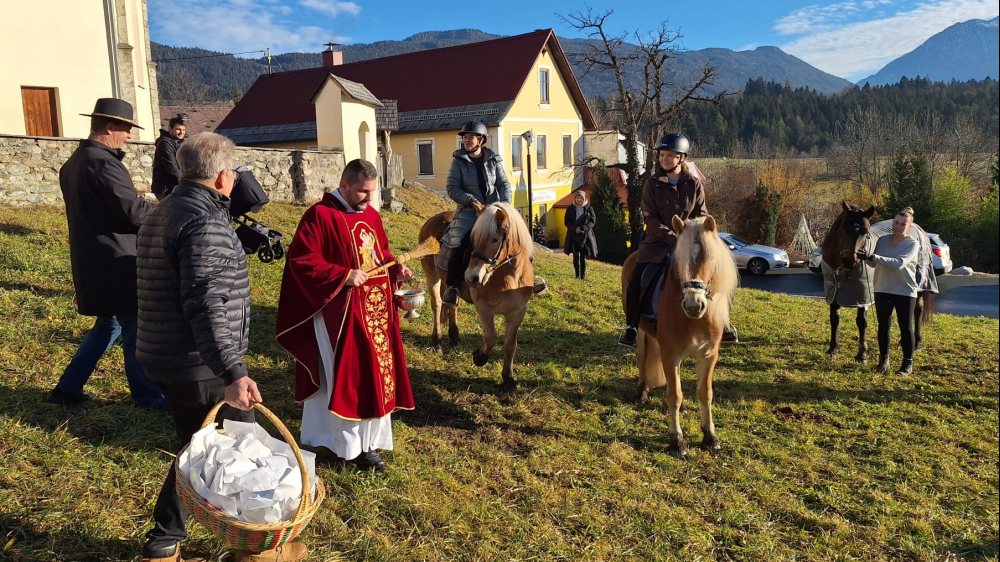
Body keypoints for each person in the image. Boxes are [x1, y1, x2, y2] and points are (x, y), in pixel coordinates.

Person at [135, 132, 303, 562]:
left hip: (169, 352)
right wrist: (233, 371)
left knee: (198, 447)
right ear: (225, 175)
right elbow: (206, 301)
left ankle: (164, 539)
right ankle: (258, 550)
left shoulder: (165, 210)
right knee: (241, 450)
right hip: (200, 361)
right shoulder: (204, 221)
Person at [276, 158, 415, 473]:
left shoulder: (371, 216)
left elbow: (380, 253)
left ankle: (368, 443)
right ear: (344, 185)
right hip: (340, 314)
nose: (368, 198)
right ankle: (347, 447)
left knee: (375, 378)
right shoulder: (320, 216)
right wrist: (342, 275)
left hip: (376, 313)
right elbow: (302, 260)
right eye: (362, 192)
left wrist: (396, 268)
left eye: (372, 192)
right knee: (349, 379)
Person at [47, 98, 166, 411]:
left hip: (94, 258)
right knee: (136, 329)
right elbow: (132, 212)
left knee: (109, 325)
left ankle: (68, 387)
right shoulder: (104, 164)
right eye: (126, 128)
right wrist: (168, 215)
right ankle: (148, 396)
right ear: (110, 126)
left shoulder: (75, 161)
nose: (128, 135)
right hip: (116, 260)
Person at [618, 133, 738, 347]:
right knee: (637, 279)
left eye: (670, 155)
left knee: (722, 274)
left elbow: (702, 213)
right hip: (657, 242)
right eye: (662, 155)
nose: (664, 159)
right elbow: (650, 218)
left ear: (681, 158)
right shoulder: (652, 184)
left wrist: (692, 235)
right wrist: (673, 237)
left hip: (692, 241)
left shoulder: (693, 184)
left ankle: (725, 324)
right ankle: (632, 326)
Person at [441, 120, 512, 307]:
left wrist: (504, 205)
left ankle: (527, 278)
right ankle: (452, 286)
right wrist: (471, 201)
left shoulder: (493, 159)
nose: (467, 140)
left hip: (494, 209)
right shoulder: (458, 161)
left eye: (471, 137)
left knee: (514, 236)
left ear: (481, 140)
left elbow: (503, 184)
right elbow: (452, 187)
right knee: (459, 241)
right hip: (469, 211)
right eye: (465, 137)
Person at [857, 207, 920, 374]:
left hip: (904, 291)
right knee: (883, 326)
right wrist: (864, 256)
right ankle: (883, 361)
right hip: (882, 288)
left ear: (909, 226)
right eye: (896, 223)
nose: (898, 226)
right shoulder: (883, 240)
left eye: (902, 224)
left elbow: (899, 263)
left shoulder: (913, 243)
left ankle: (907, 363)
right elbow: (874, 263)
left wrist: (874, 257)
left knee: (905, 327)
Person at [563, 189, 598, 279]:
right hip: (574, 235)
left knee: (583, 257)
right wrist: (574, 229)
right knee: (575, 256)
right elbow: (567, 222)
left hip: (585, 236)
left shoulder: (589, 209)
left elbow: (592, 222)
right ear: (575, 199)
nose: (579, 200)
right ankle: (576, 275)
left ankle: (582, 276)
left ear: (584, 199)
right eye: (577, 198)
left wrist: (583, 228)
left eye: (581, 198)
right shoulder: (570, 209)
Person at [151, 114, 186, 200]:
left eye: (184, 130)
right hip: (165, 188)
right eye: (178, 129)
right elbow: (171, 167)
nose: (181, 133)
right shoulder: (165, 144)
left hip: (174, 187)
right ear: (170, 129)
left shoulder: (179, 143)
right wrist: (185, 185)